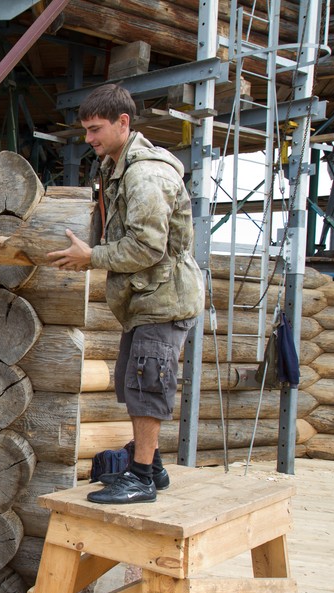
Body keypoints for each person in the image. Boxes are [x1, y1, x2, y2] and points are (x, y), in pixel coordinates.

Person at [48, 83, 204, 504]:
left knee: (147, 384)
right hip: (146, 299)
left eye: (96, 129)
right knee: (130, 381)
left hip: (163, 299)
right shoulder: (117, 164)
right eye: (86, 130)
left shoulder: (145, 174)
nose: (89, 139)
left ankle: (141, 478)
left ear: (123, 122)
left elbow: (147, 246)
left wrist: (91, 257)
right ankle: (149, 465)